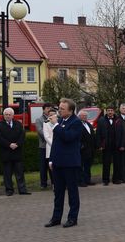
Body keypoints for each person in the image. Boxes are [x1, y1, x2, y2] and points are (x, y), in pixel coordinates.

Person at [45, 98, 82, 228]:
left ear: (70, 111)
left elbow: (68, 137)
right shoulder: (60, 121)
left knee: (72, 192)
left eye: (62, 109)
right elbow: (56, 143)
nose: (59, 110)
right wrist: (51, 159)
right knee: (58, 192)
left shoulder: (76, 123)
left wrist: (55, 125)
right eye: (59, 108)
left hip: (70, 163)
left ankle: (73, 218)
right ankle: (56, 218)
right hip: (58, 163)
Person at [0, 107, 30, 196]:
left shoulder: (18, 124)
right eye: (6, 114)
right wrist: (9, 144)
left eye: (10, 114)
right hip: (6, 153)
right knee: (7, 173)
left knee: (20, 173)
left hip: (17, 152)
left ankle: (22, 189)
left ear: (13, 115)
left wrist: (17, 144)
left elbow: (22, 136)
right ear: (3, 115)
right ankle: (9, 190)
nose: (8, 116)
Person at [97, 106, 124, 185]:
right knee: (106, 163)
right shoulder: (101, 120)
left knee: (117, 163)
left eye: (111, 110)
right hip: (106, 145)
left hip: (116, 145)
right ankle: (105, 180)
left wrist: (122, 145)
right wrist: (99, 145)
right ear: (106, 111)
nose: (110, 112)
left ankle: (116, 179)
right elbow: (98, 133)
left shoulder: (119, 120)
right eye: (108, 110)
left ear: (114, 111)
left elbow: (122, 133)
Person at [36, 103, 54, 189]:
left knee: (52, 165)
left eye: (50, 108)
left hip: (53, 146)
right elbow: (40, 131)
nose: (48, 109)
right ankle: (43, 183)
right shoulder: (39, 120)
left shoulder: (54, 119)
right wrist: (49, 137)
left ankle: (54, 182)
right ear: (43, 109)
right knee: (43, 166)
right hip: (44, 146)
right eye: (47, 108)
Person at [79, 109, 97, 187]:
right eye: (83, 115)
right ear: (79, 116)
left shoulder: (89, 124)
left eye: (86, 116)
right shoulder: (78, 125)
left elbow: (92, 136)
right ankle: (81, 181)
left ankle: (87, 180)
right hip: (82, 149)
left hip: (90, 149)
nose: (85, 117)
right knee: (81, 166)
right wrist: (81, 146)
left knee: (88, 165)